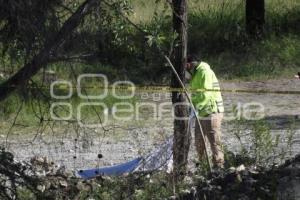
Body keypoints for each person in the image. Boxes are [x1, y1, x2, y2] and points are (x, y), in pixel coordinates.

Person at [185, 55, 225, 168]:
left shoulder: (204, 71)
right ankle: (203, 165)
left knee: (214, 140)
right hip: (201, 111)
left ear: (189, 64)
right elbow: (195, 94)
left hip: (211, 110)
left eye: (185, 66)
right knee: (199, 140)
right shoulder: (195, 73)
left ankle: (219, 166)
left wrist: (195, 108)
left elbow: (206, 93)